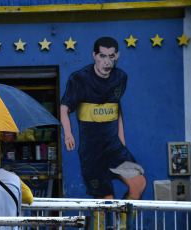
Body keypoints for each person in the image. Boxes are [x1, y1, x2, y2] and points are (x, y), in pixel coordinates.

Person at [60, 37, 146, 227]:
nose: (107, 61)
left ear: (117, 56)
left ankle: (122, 226)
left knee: (138, 183)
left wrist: (122, 140)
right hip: (92, 152)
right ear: (94, 56)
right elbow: (64, 107)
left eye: (111, 56)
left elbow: (117, 109)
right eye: (102, 56)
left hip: (114, 148)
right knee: (106, 199)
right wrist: (68, 133)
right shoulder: (79, 79)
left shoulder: (121, 78)